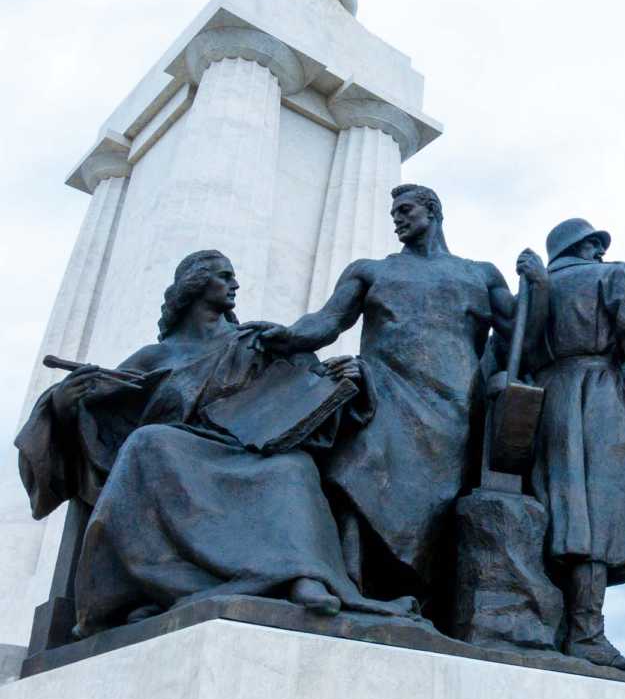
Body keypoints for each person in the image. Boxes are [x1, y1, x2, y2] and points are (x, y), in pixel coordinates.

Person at [15, 250, 415, 636]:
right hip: (178, 450)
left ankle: (305, 577)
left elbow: (305, 392)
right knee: (148, 442)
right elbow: (102, 413)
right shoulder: (156, 355)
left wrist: (343, 380)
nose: (235, 283)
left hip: (250, 451)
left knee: (293, 467)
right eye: (224, 275)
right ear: (195, 283)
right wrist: (66, 403)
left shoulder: (255, 340)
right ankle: (161, 586)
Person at [246, 185, 547, 611]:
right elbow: (327, 321)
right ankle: (349, 584)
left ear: (433, 211)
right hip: (383, 394)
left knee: (434, 509)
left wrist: (541, 287)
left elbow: (522, 337)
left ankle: (416, 599)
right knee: (356, 473)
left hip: (453, 407)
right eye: (393, 213)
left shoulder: (479, 275)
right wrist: (289, 336)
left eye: (405, 210)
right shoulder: (370, 271)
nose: (397, 219)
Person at [528, 218, 625, 671]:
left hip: (545, 403)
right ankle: (586, 634)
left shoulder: (533, 288)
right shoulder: (613, 275)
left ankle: (566, 629)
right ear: (591, 246)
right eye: (597, 244)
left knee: (566, 518)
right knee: (596, 521)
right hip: (601, 402)